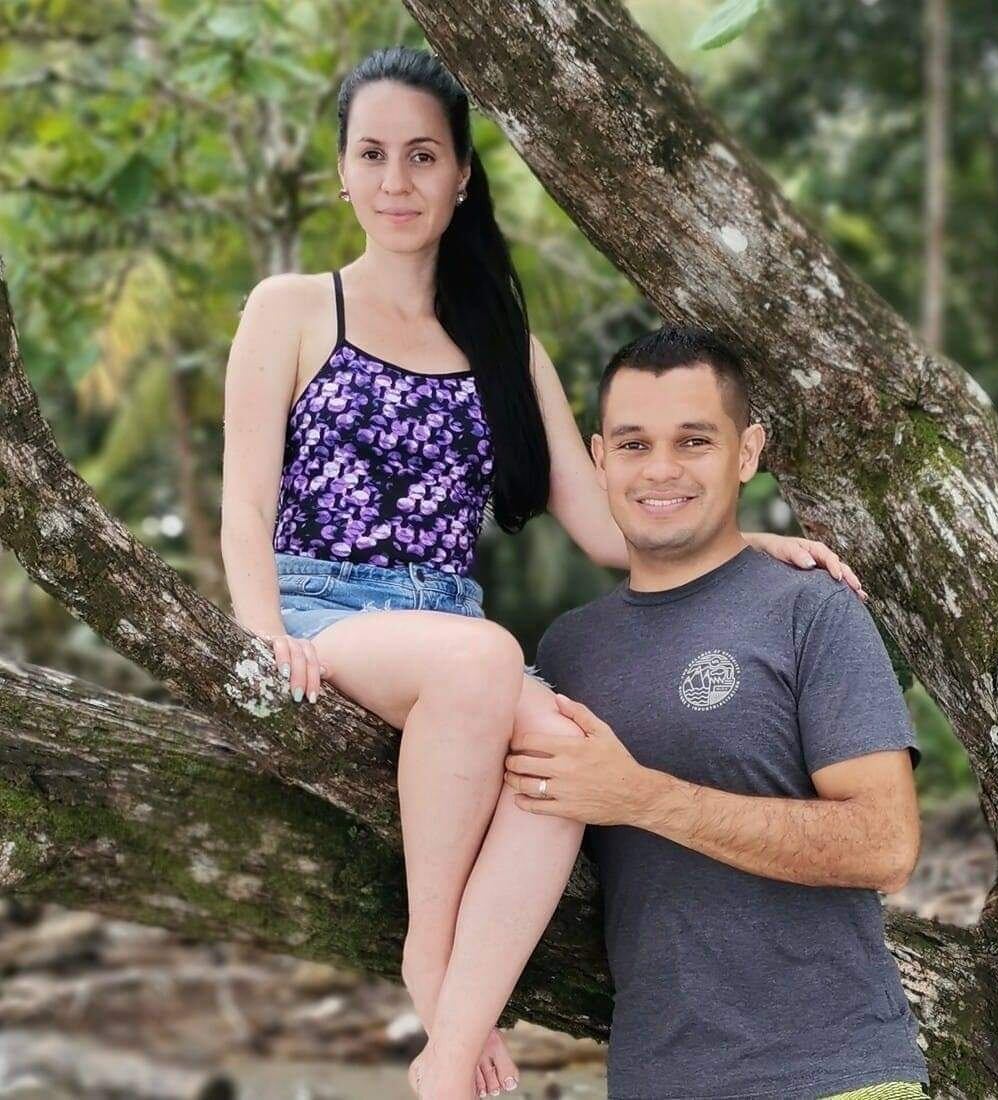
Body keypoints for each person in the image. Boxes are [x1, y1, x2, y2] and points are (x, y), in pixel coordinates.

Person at [220, 46, 865, 1100]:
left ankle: (447, 1054)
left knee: (567, 750)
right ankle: (431, 955)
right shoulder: (291, 308)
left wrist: (753, 542)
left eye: (422, 156)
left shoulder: (501, 342)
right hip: (325, 610)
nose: (396, 182)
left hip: (450, 636)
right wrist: (262, 634)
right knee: (485, 658)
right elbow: (243, 501)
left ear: (462, 174)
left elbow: (608, 527)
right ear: (341, 171)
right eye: (373, 155)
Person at [509, 325, 931, 1099]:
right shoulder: (568, 651)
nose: (661, 469)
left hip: (835, 1078)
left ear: (747, 452)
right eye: (634, 445)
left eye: (694, 440)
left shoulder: (811, 611)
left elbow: (886, 845)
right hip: (654, 1079)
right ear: (600, 459)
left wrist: (640, 796)